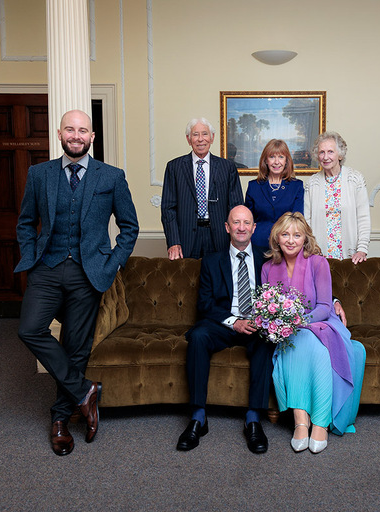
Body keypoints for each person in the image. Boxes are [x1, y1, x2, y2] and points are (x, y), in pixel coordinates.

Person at [15, 110, 139, 456]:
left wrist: (112, 263)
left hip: (89, 273)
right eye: (70, 129)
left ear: (92, 136)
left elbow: (130, 227)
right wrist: (32, 257)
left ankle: (59, 419)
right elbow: (25, 222)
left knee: (75, 347)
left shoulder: (111, 176)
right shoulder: (38, 174)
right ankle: (85, 390)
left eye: (82, 130)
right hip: (47, 269)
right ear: (59, 134)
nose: (76, 135)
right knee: (29, 329)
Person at [262, 212, 366, 453]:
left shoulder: (318, 263)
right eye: (285, 234)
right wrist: (281, 323)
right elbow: (268, 306)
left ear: (305, 238)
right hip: (286, 332)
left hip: (320, 324)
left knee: (309, 342)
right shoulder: (268, 267)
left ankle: (319, 422)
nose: (291, 240)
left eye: (297, 235)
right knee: (295, 342)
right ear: (277, 238)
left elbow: (324, 307)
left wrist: (298, 321)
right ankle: (301, 421)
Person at [177, 205, 275, 454]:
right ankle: (198, 417)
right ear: (227, 227)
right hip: (225, 323)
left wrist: (260, 319)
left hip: (255, 323)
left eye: (246, 223)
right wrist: (234, 321)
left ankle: (253, 419)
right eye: (236, 222)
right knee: (198, 336)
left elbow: (290, 285)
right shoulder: (211, 260)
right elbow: (205, 304)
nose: (241, 227)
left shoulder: (267, 258)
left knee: (266, 340)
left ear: (254, 228)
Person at [161, 118, 244, 260]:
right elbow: (168, 208)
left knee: (218, 280)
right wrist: (173, 241)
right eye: (195, 134)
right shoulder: (174, 167)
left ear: (212, 138)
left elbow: (236, 207)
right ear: (188, 139)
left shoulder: (227, 167)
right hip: (185, 237)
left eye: (205, 134)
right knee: (187, 281)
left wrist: (235, 239)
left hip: (220, 237)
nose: (200, 139)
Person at [304, 131, 371, 264]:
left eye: (330, 152)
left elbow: (363, 218)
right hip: (319, 256)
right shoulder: (312, 183)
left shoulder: (355, 179)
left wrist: (362, 249)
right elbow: (307, 222)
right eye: (322, 152)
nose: (325, 157)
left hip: (351, 257)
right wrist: (312, 249)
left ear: (340, 155)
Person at [244, 139, 304, 248]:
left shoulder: (297, 186)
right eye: (272, 157)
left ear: (286, 161)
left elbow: (298, 220)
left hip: (287, 246)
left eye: (281, 157)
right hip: (258, 244)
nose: (276, 162)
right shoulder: (254, 186)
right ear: (266, 160)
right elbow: (248, 221)